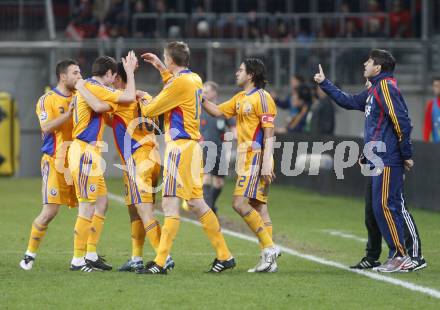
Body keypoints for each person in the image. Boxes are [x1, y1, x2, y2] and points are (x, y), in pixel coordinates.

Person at [137, 41, 234, 274]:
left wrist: (143, 97)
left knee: (170, 204)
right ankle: (225, 255)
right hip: (192, 147)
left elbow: (151, 110)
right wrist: (161, 67)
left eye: (164, 57)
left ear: (172, 59)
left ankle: (160, 263)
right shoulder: (195, 79)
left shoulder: (179, 83)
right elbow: (175, 86)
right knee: (196, 203)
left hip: (179, 148)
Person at [314, 49, 414, 273]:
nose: (364, 64)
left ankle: (401, 256)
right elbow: (348, 101)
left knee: (386, 207)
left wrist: (406, 154)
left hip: (387, 156)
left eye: (368, 62)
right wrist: (325, 83)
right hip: (377, 157)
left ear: (377, 68)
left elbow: (402, 121)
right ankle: (395, 255)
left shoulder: (386, 87)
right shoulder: (375, 90)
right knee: (380, 208)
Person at [75, 61, 174, 272]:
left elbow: (103, 107)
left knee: (143, 210)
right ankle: (136, 258)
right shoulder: (144, 95)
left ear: (117, 78)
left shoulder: (121, 99)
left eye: (113, 79)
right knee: (135, 210)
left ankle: (163, 257)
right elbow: (154, 121)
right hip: (151, 157)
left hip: (138, 158)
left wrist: (82, 88)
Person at [202, 58, 280, 273]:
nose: (237, 73)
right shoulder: (239, 98)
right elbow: (217, 111)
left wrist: (266, 161)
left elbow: (269, 132)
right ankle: (268, 258)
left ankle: (270, 248)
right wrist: (199, 98)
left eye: (241, 70)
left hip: (257, 157)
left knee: (239, 203)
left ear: (251, 75)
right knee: (258, 206)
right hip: (247, 158)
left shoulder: (263, 98)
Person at [68, 52, 137, 272]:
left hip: (90, 151)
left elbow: (104, 107)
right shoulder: (95, 86)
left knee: (102, 202)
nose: (113, 81)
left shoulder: (89, 87)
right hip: (85, 150)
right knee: (87, 206)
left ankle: (90, 254)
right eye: (113, 76)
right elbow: (127, 96)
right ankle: (78, 260)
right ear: (108, 73)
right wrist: (129, 73)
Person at [19, 59, 81, 270]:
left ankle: (84, 257)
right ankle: (29, 255)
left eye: (80, 72)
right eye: (75, 73)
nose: (79, 76)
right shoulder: (47, 100)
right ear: (63, 76)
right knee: (50, 212)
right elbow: (45, 127)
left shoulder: (80, 96)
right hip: (55, 162)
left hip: (77, 162)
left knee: (92, 207)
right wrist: (69, 114)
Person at [200, 81, 236, 214]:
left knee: (219, 182)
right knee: (207, 177)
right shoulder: (199, 109)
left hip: (220, 150)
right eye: (203, 91)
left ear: (214, 93)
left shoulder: (222, 110)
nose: (204, 94)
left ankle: (211, 206)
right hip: (204, 148)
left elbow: (233, 129)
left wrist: (230, 140)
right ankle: (208, 212)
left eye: (207, 91)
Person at [423, 77, 440, 143]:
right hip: (437, 147)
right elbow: (427, 128)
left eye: (439, 86)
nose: (437, 88)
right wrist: (425, 144)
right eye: (435, 86)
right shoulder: (431, 105)